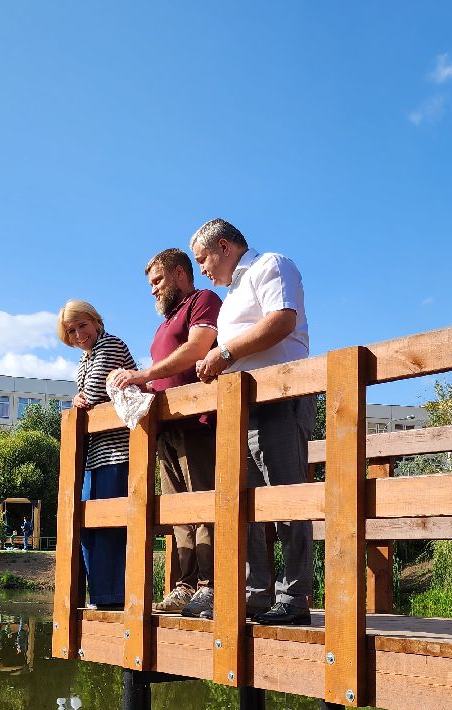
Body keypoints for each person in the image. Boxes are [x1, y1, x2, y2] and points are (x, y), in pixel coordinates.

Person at [189, 219, 313, 626]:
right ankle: (255, 595)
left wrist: (222, 354)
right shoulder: (232, 294)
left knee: (287, 502)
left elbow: (282, 320)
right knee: (246, 505)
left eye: (203, 258)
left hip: (279, 396)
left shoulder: (271, 265)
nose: (202, 269)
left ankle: (294, 599)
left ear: (224, 246)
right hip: (241, 407)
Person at [108, 248, 222, 614]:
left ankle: (212, 584)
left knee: (204, 503)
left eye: (157, 280)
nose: (153, 290)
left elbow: (197, 348)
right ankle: (186, 584)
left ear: (178, 273)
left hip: (199, 422)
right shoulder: (162, 326)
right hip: (168, 428)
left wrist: (144, 375)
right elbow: (163, 375)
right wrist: (135, 387)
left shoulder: (202, 301)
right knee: (176, 510)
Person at [59, 299, 137, 610]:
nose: (79, 334)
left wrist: (79, 399)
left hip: (117, 451)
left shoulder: (110, 346)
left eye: (82, 325)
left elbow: (90, 396)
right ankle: (102, 596)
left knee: (108, 526)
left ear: (95, 321)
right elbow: (84, 395)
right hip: (95, 455)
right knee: (88, 526)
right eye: (71, 330)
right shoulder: (84, 359)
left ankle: (112, 597)